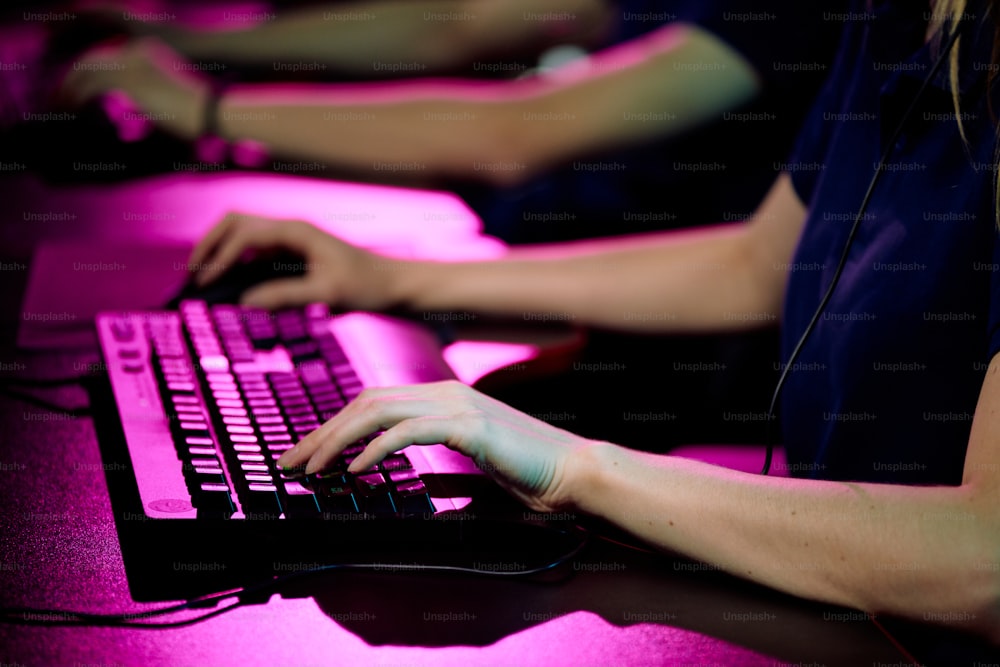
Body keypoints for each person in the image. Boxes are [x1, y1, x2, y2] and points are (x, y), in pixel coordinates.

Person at [180, 0, 1000, 641]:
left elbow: (984, 560)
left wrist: (578, 467)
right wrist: (395, 277)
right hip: (849, 604)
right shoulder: (902, 24)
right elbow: (757, 263)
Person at [58, 2, 845, 242]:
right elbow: (455, 26)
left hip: (619, 330)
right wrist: (189, 48)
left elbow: (511, 138)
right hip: (507, 241)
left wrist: (204, 109)